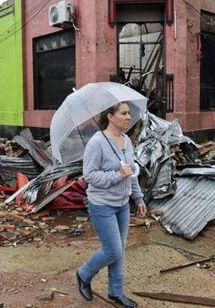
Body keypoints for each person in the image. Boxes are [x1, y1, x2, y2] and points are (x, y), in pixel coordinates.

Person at [76, 102, 146, 308]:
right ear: (110, 116)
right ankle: (83, 274)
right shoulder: (96, 143)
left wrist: (138, 198)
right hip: (102, 204)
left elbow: (131, 171)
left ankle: (116, 292)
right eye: (123, 113)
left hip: (123, 204)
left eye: (129, 113)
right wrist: (116, 175)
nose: (128, 117)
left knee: (119, 250)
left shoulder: (126, 140)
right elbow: (89, 175)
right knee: (113, 251)